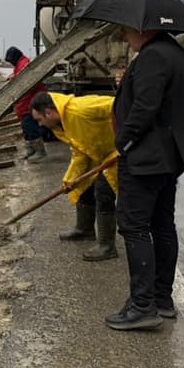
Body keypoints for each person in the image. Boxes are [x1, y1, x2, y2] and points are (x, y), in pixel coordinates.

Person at [106, 28, 184, 331]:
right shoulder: (175, 53)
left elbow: (145, 108)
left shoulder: (153, 56)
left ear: (143, 28)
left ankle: (143, 305)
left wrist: (124, 143)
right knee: (161, 225)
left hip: (147, 158)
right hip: (168, 157)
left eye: (127, 30)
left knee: (134, 226)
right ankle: (161, 299)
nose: (124, 35)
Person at [30, 92, 119, 261]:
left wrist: (132, 135)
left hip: (118, 153)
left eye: (39, 120)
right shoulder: (63, 124)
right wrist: (70, 180)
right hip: (99, 155)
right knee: (83, 185)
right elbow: (79, 153)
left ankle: (107, 246)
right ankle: (85, 230)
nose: (40, 125)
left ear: (49, 112)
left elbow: (121, 105)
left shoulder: (82, 109)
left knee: (103, 191)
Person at [4, 46, 48, 163]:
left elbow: (25, 78)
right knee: (25, 126)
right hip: (25, 103)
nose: (11, 63)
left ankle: (39, 151)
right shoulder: (20, 64)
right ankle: (31, 150)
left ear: (14, 57)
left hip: (31, 102)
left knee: (30, 125)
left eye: (10, 60)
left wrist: (15, 77)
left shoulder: (24, 63)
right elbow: (18, 74)